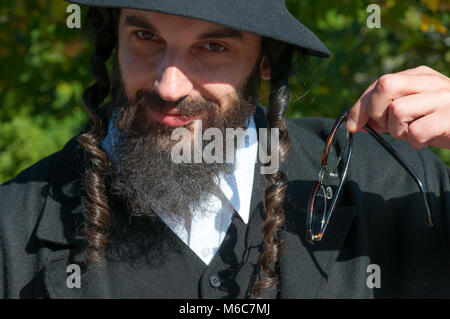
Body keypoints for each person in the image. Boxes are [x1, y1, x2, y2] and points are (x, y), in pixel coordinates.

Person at [0, 0, 449, 299]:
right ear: (112, 40)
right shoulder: (11, 230)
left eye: (213, 46)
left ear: (266, 59)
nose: (168, 86)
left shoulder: (393, 186)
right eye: (146, 38)